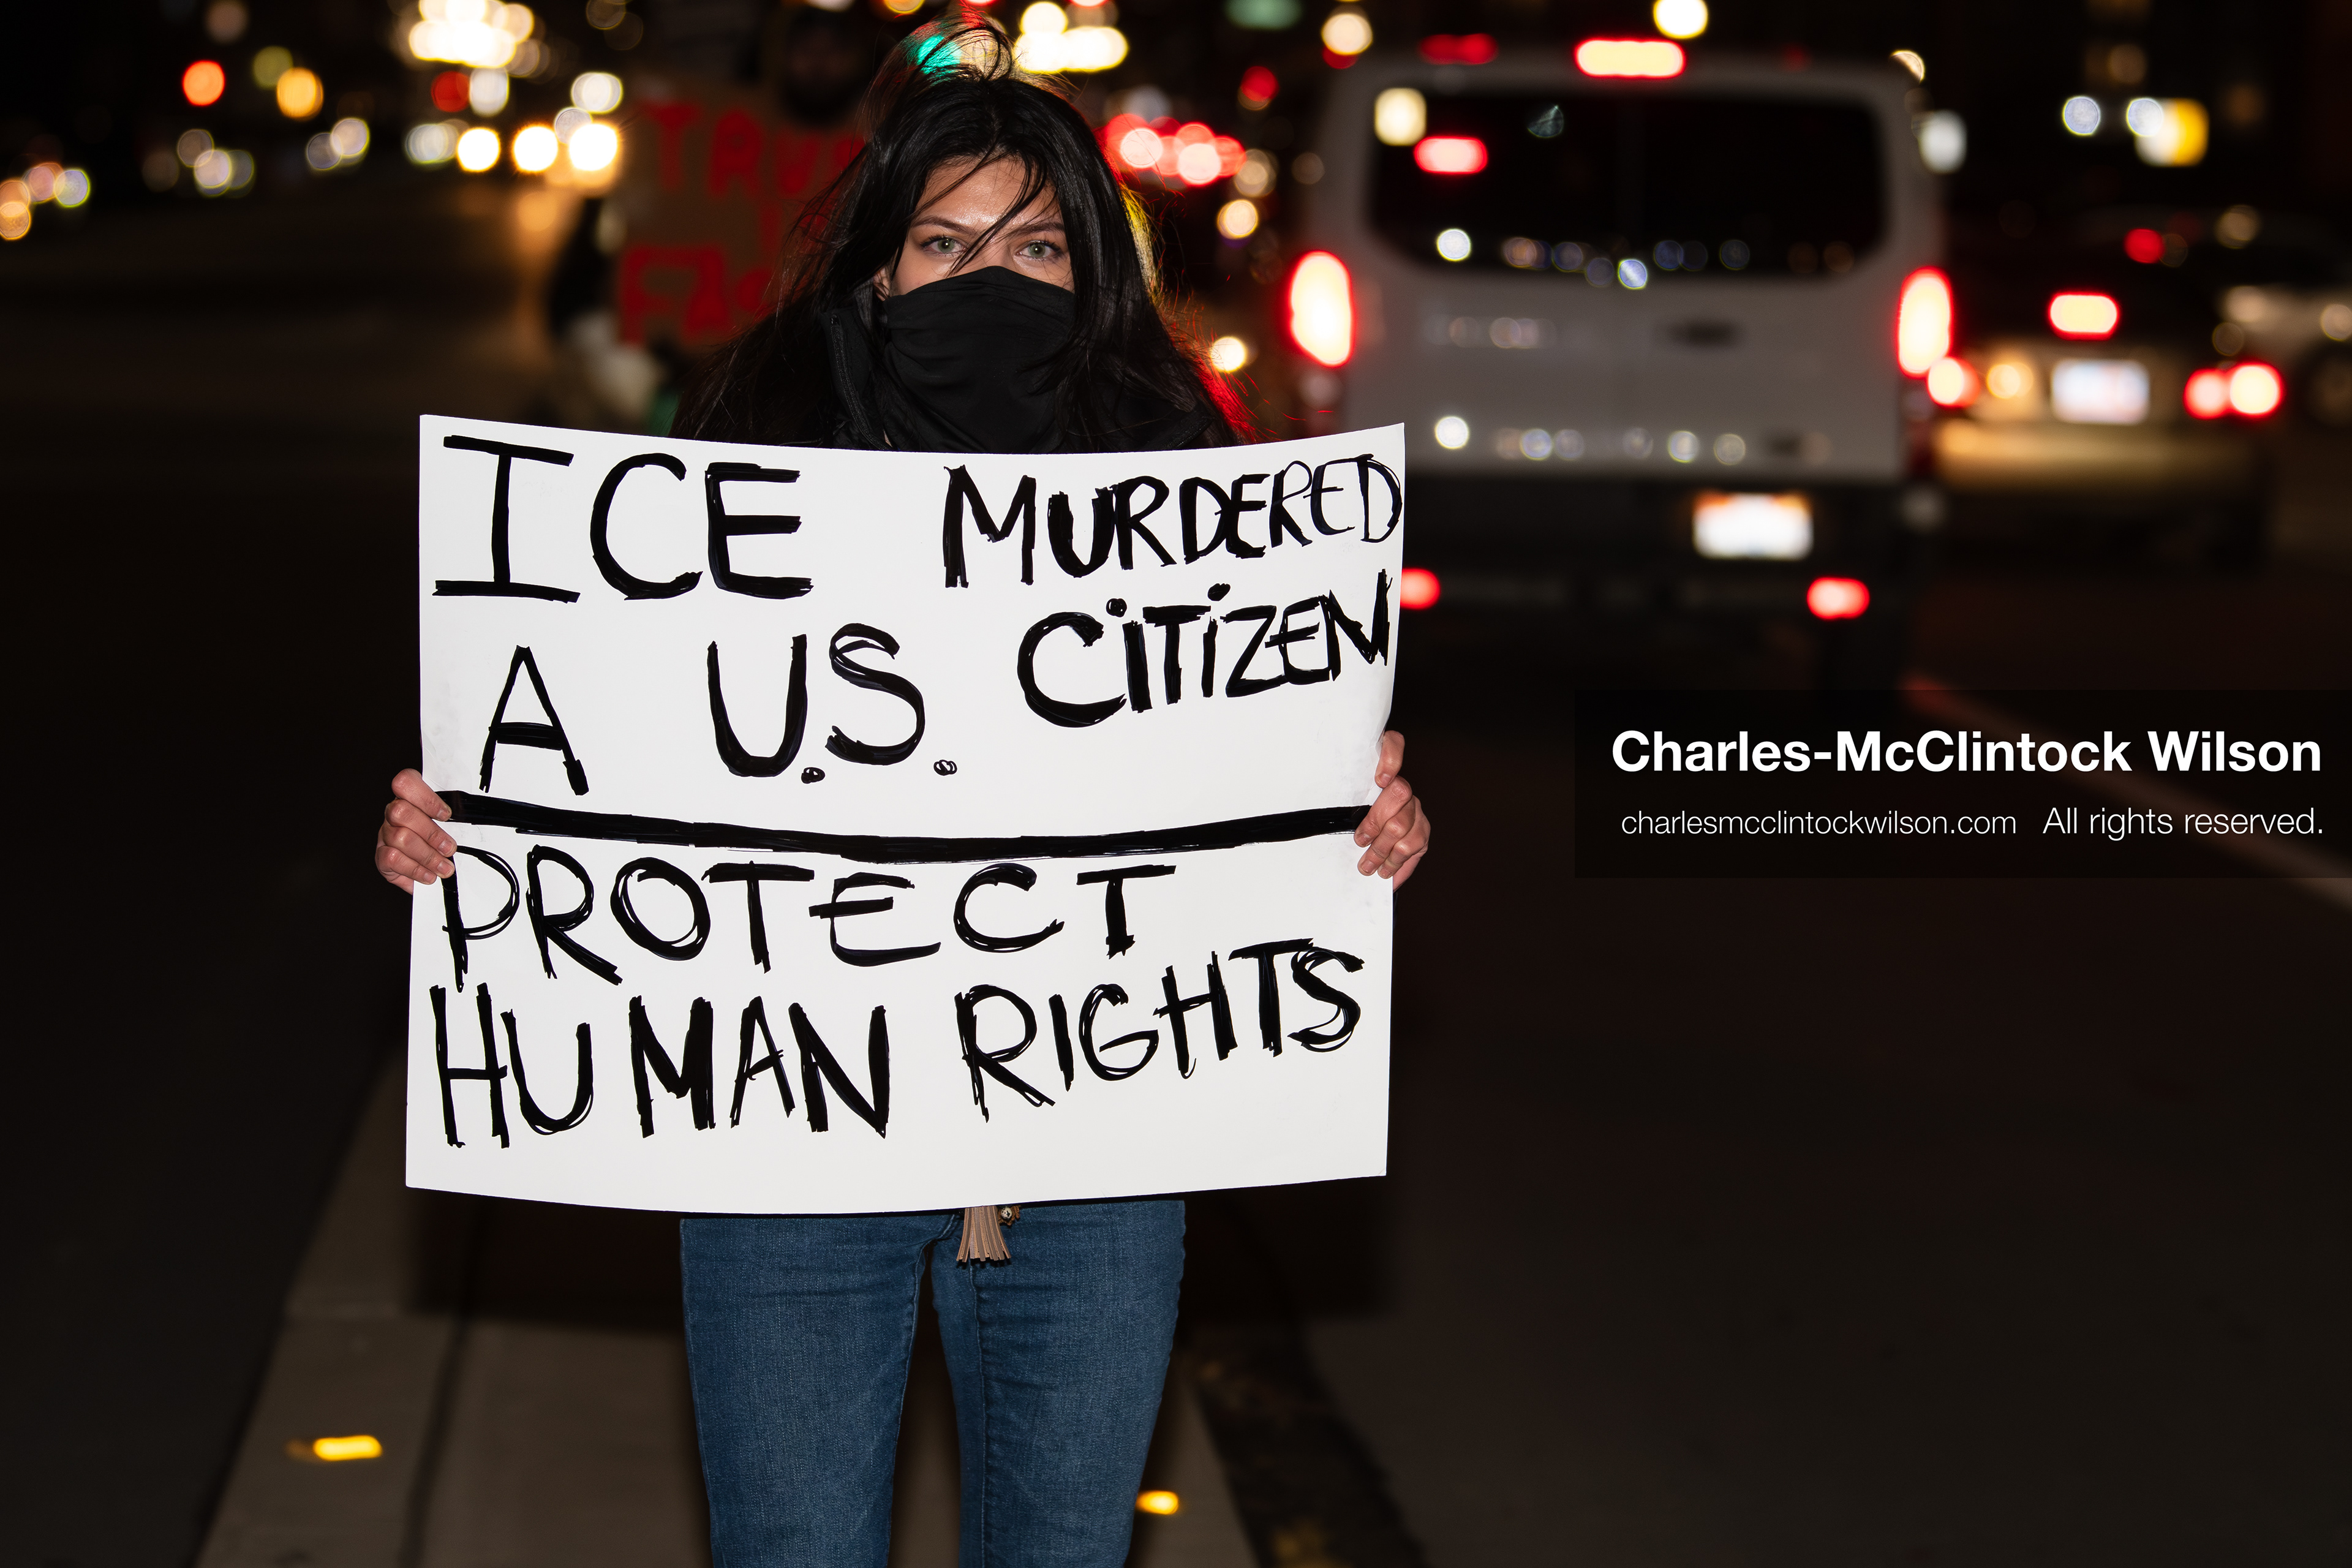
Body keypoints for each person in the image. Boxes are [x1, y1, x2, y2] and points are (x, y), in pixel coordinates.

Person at [373, 23, 1430, 1567]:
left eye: (1035, 246)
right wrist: (471, 836)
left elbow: (1263, 763)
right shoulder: (743, 448)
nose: (988, 278)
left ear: (1097, 271)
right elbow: (604, 746)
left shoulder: (1184, 458)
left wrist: (1362, 815)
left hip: (1093, 1147)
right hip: (789, 1134)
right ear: (876, 265)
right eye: (942, 242)